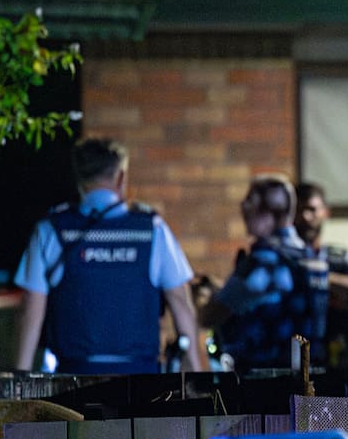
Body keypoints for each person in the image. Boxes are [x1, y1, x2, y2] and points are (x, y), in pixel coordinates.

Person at [14, 137, 206, 374]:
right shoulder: (152, 230)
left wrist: (21, 376)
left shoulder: (50, 230)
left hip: (72, 378)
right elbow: (181, 303)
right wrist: (197, 373)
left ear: (79, 179)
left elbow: (32, 309)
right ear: (121, 177)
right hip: (140, 379)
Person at [201, 174, 329, 372]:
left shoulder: (263, 262)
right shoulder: (309, 256)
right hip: (306, 377)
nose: (243, 209)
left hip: (264, 381)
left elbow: (211, 316)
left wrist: (199, 302)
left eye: (251, 203)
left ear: (272, 213)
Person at [294, 181, 348, 368]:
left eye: (312, 209)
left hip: (339, 363)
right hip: (293, 363)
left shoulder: (341, 259)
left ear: (325, 212)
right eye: (298, 210)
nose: (305, 217)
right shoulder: (281, 263)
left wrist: (321, 278)